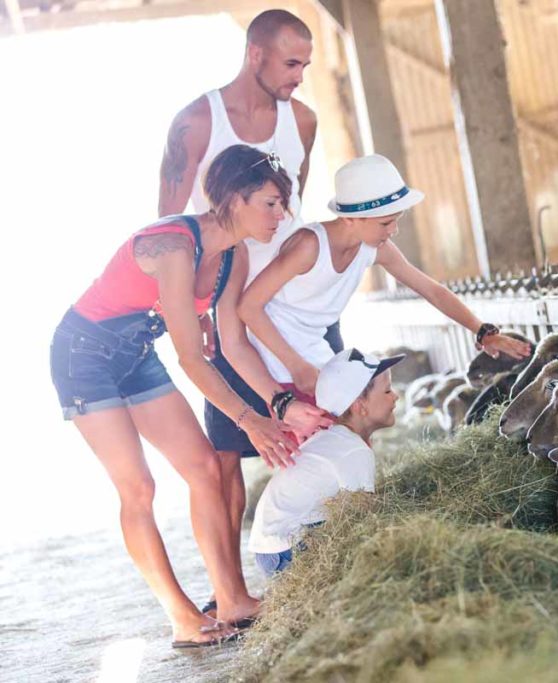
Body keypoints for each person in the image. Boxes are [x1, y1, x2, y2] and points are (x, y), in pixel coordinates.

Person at [49, 145, 323, 648]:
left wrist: (277, 402)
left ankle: (232, 599)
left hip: (135, 353)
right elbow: (192, 358)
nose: (280, 216)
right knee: (139, 489)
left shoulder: (232, 254)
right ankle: (182, 618)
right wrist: (248, 419)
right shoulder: (175, 246)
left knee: (203, 469)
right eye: (269, 203)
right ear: (234, 200)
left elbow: (231, 341)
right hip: (83, 356)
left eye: (282, 204)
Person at [157, 9, 336, 614]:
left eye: (306, 65)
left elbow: (296, 206)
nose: (300, 77)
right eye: (292, 63)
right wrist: (196, 309)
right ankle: (230, 590)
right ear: (254, 54)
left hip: (296, 307)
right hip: (228, 309)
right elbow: (167, 227)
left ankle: (323, 560)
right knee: (228, 453)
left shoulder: (302, 120)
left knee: (318, 427)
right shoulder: (196, 123)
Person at [238, 154, 532, 401]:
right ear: (350, 218)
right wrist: (296, 366)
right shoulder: (309, 246)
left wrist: (483, 332)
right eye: (386, 222)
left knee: (351, 432)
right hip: (277, 358)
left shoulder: (373, 247)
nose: (393, 230)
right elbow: (249, 306)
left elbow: (431, 290)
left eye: (396, 220)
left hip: (314, 351)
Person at [248, 348, 404, 575]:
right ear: (360, 406)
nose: (396, 396)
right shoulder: (354, 451)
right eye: (388, 390)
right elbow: (363, 516)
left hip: (272, 548)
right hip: (288, 552)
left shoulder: (336, 439)